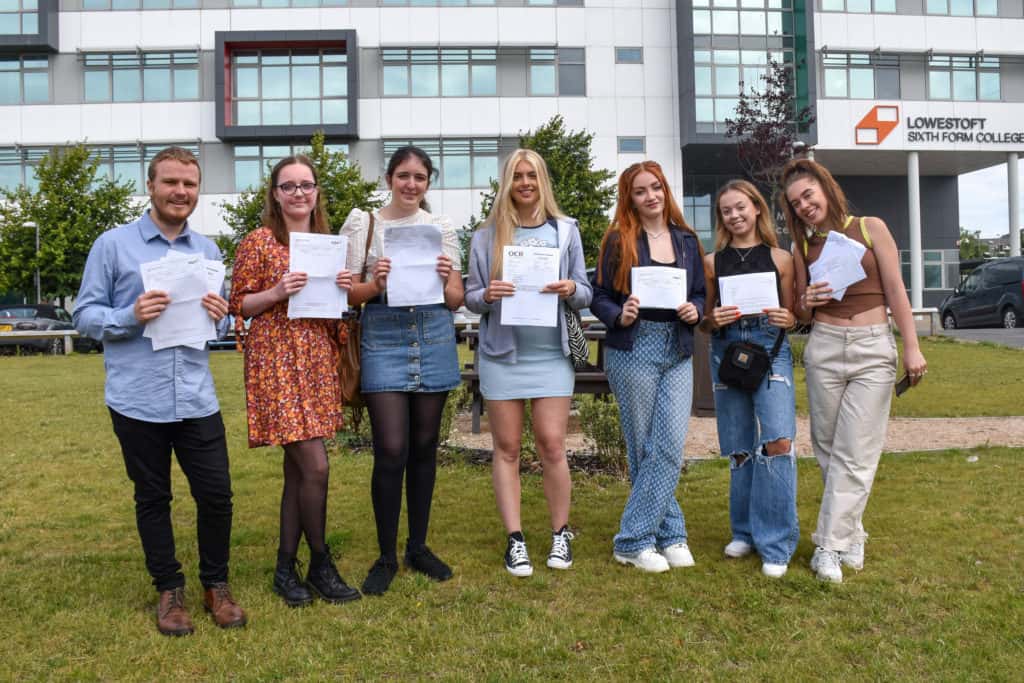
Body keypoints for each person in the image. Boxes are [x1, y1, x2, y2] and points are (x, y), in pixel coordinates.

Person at [73, 146, 247, 635]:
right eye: (171, 182)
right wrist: (130, 316)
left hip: (195, 396)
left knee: (217, 496)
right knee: (153, 498)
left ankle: (216, 584)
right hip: (138, 398)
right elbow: (84, 316)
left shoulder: (208, 251)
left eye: (189, 184)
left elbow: (220, 324)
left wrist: (223, 317)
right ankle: (169, 591)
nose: (181, 192)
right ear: (150, 185)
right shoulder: (113, 245)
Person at [780, 158, 927, 583]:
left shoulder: (870, 228)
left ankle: (827, 546)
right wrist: (809, 297)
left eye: (808, 195)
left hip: (871, 347)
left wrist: (912, 347)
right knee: (828, 449)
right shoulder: (802, 246)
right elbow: (800, 311)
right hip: (824, 347)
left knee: (857, 452)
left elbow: (896, 289)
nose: (805, 206)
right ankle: (852, 533)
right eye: (796, 203)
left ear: (825, 189)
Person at [229, 155, 360, 606]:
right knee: (316, 466)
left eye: (307, 185)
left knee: (298, 471)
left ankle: (286, 569)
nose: (299, 193)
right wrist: (276, 292)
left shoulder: (328, 244)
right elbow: (239, 305)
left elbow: (337, 312)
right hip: (276, 361)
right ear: (275, 194)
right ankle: (321, 562)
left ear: (317, 192)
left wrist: (344, 290)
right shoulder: (259, 242)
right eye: (289, 186)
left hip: (317, 360)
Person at [340, 146, 464, 595]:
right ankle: (386, 554)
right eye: (403, 175)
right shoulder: (364, 223)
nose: (411, 184)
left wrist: (449, 274)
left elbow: (455, 299)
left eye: (420, 177)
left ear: (428, 183)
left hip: (432, 332)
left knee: (425, 446)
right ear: (389, 177)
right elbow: (347, 294)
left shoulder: (441, 228)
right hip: (384, 335)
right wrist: (376, 282)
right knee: (391, 449)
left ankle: (417, 546)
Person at [465, 148, 592, 577]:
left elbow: (586, 293)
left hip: (551, 354)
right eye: (517, 176)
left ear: (542, 182)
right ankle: (515, 540)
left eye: (532, 176)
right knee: (507, 448)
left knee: (553, 445)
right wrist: (487, 296)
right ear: (507, 182)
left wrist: (570, 287)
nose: (524, 183)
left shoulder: (565, 230)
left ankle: (560, 533)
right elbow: (469, 297)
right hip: (504, 354)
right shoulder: (486, 236)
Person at [590, 160, 706, 573]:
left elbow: (701, 293)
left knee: (670, 445)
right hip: (633, 346)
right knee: (643, 447)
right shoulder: (618, 240)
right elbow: (598, 294)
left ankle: (637, 537)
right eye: (641, 191)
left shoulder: (688, 241)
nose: (651, 196)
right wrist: (619, 314)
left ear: (665, 190)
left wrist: (697, 309)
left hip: (675, 347)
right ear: (630, 198)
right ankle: (666, 534)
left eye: (656, 187)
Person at [700, 179, 798, 579]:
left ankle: (775, 542)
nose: (735, 215)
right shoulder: (712, 262)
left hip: (771, 350)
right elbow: (705, 319)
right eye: (727, 210)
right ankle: (743, 531)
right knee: (739, 447)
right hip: (727, 352)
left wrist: (791, 318)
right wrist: (713, 319)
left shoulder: (782, 258)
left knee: (777, 442)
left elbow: (796, 315)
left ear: (757, 208)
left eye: (741, 207)